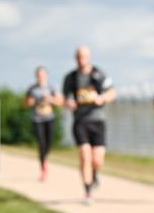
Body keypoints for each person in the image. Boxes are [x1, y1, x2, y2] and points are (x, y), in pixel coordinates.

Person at [62, 45, 116, 203]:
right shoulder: (70, 78)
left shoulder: (99, 74)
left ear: (89, 57)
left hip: (98, 120)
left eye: (84, 57)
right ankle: (87, 192)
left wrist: (103, 98)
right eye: (78, 57)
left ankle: (95, 174)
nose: (81, 60)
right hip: (80, 121)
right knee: (85, 156)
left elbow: (113, 92)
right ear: (75, 58)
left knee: (97, 160)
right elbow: (64, 98)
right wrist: (68, 103)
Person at [25, 66, 63, 181]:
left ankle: (44, 158)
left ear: (46, 75)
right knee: (41, 143)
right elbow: (26, 103)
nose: (40, 77)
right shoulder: (32, 89)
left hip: (49, 118)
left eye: (42, 74)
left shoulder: (51, 88)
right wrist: (34, 101)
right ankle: (43, 168)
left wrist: (50, 99)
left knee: (49, 143)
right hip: (37, 119)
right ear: (36, 76)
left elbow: (60, 102)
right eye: (38, 75)